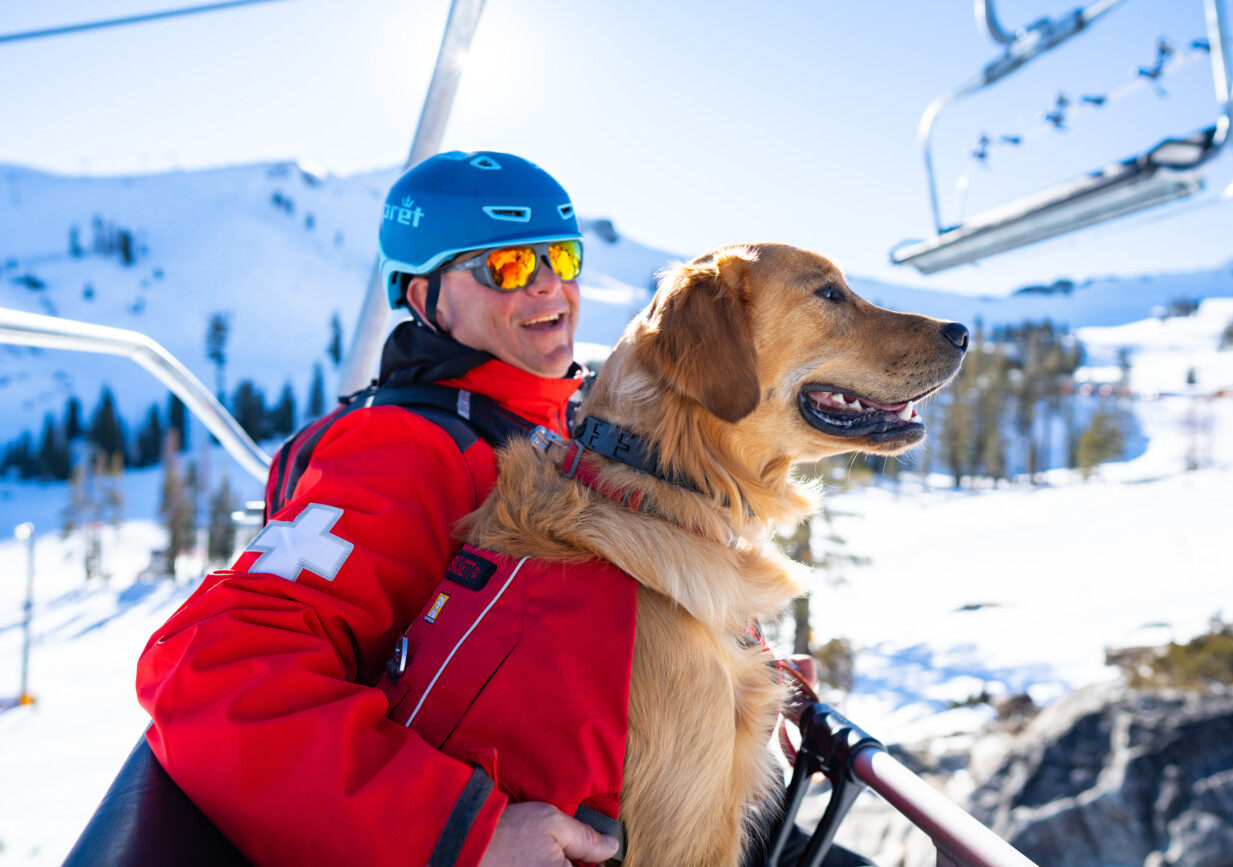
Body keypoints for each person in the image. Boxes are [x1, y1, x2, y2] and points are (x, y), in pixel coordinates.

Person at [137, 150, 870, 867]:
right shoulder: (401, 449)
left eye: (562, 256)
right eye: (507, 267)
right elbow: (214, 675)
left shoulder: (559, 426)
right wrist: (459, 831)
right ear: (426, 297)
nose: (549, 288)